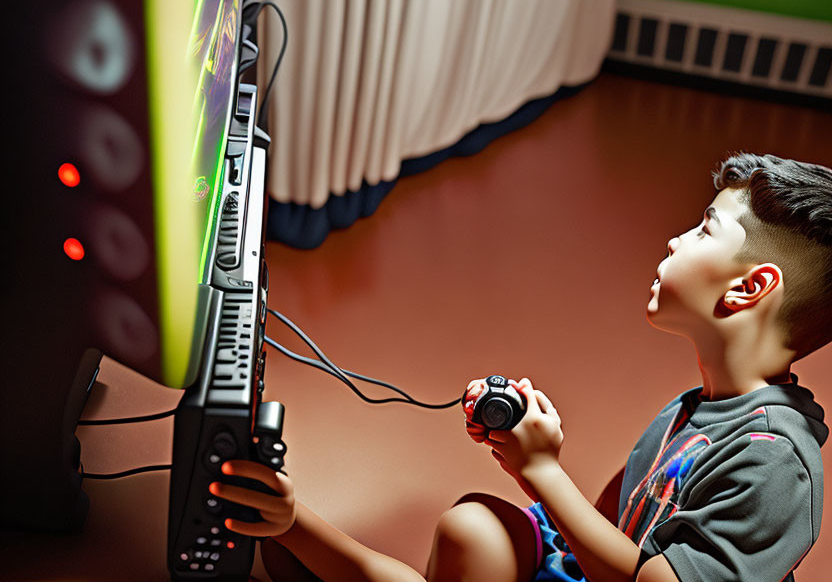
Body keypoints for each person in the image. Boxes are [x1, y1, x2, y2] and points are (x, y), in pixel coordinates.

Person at [214, 152, 831, 581]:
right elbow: (617, 515)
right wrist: (529, 449)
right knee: (471, 529)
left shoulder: (777, 465)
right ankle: (301, 536)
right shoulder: (709, 402)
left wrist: (540, 469)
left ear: (748, 291)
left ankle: (295, 528)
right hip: (600, 568)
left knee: (464, 540)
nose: (675, 241)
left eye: (703, 231)